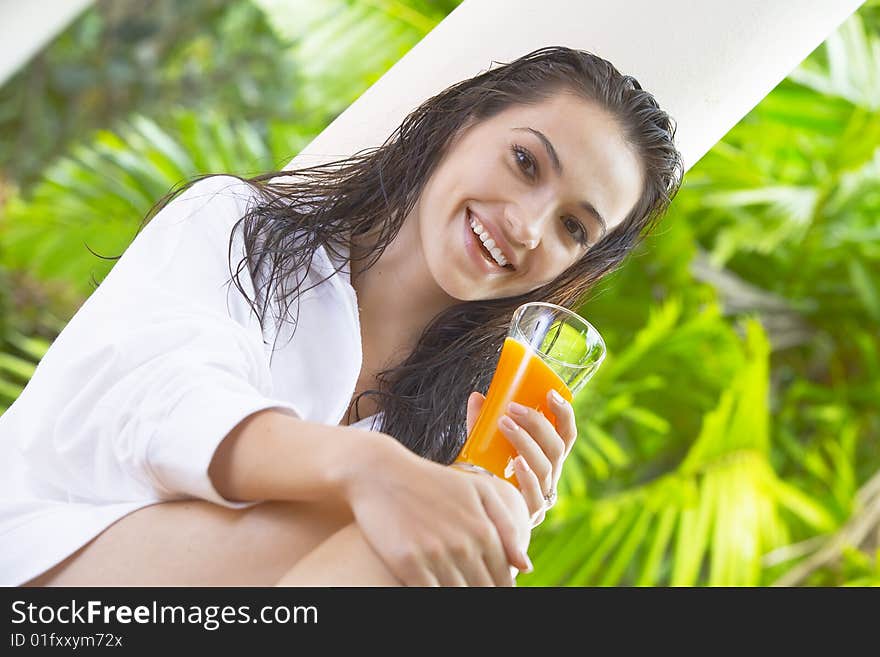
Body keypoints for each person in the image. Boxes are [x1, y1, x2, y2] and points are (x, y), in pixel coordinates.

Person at [0, 46, 683, 587]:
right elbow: (161, 402)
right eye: (525, 162)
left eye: (572, 226)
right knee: (407, 538)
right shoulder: (236, 228)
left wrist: (499, 512)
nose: (529, 226)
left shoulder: (459, 424)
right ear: (462, 124)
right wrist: (369, 470)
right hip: (47, 566)